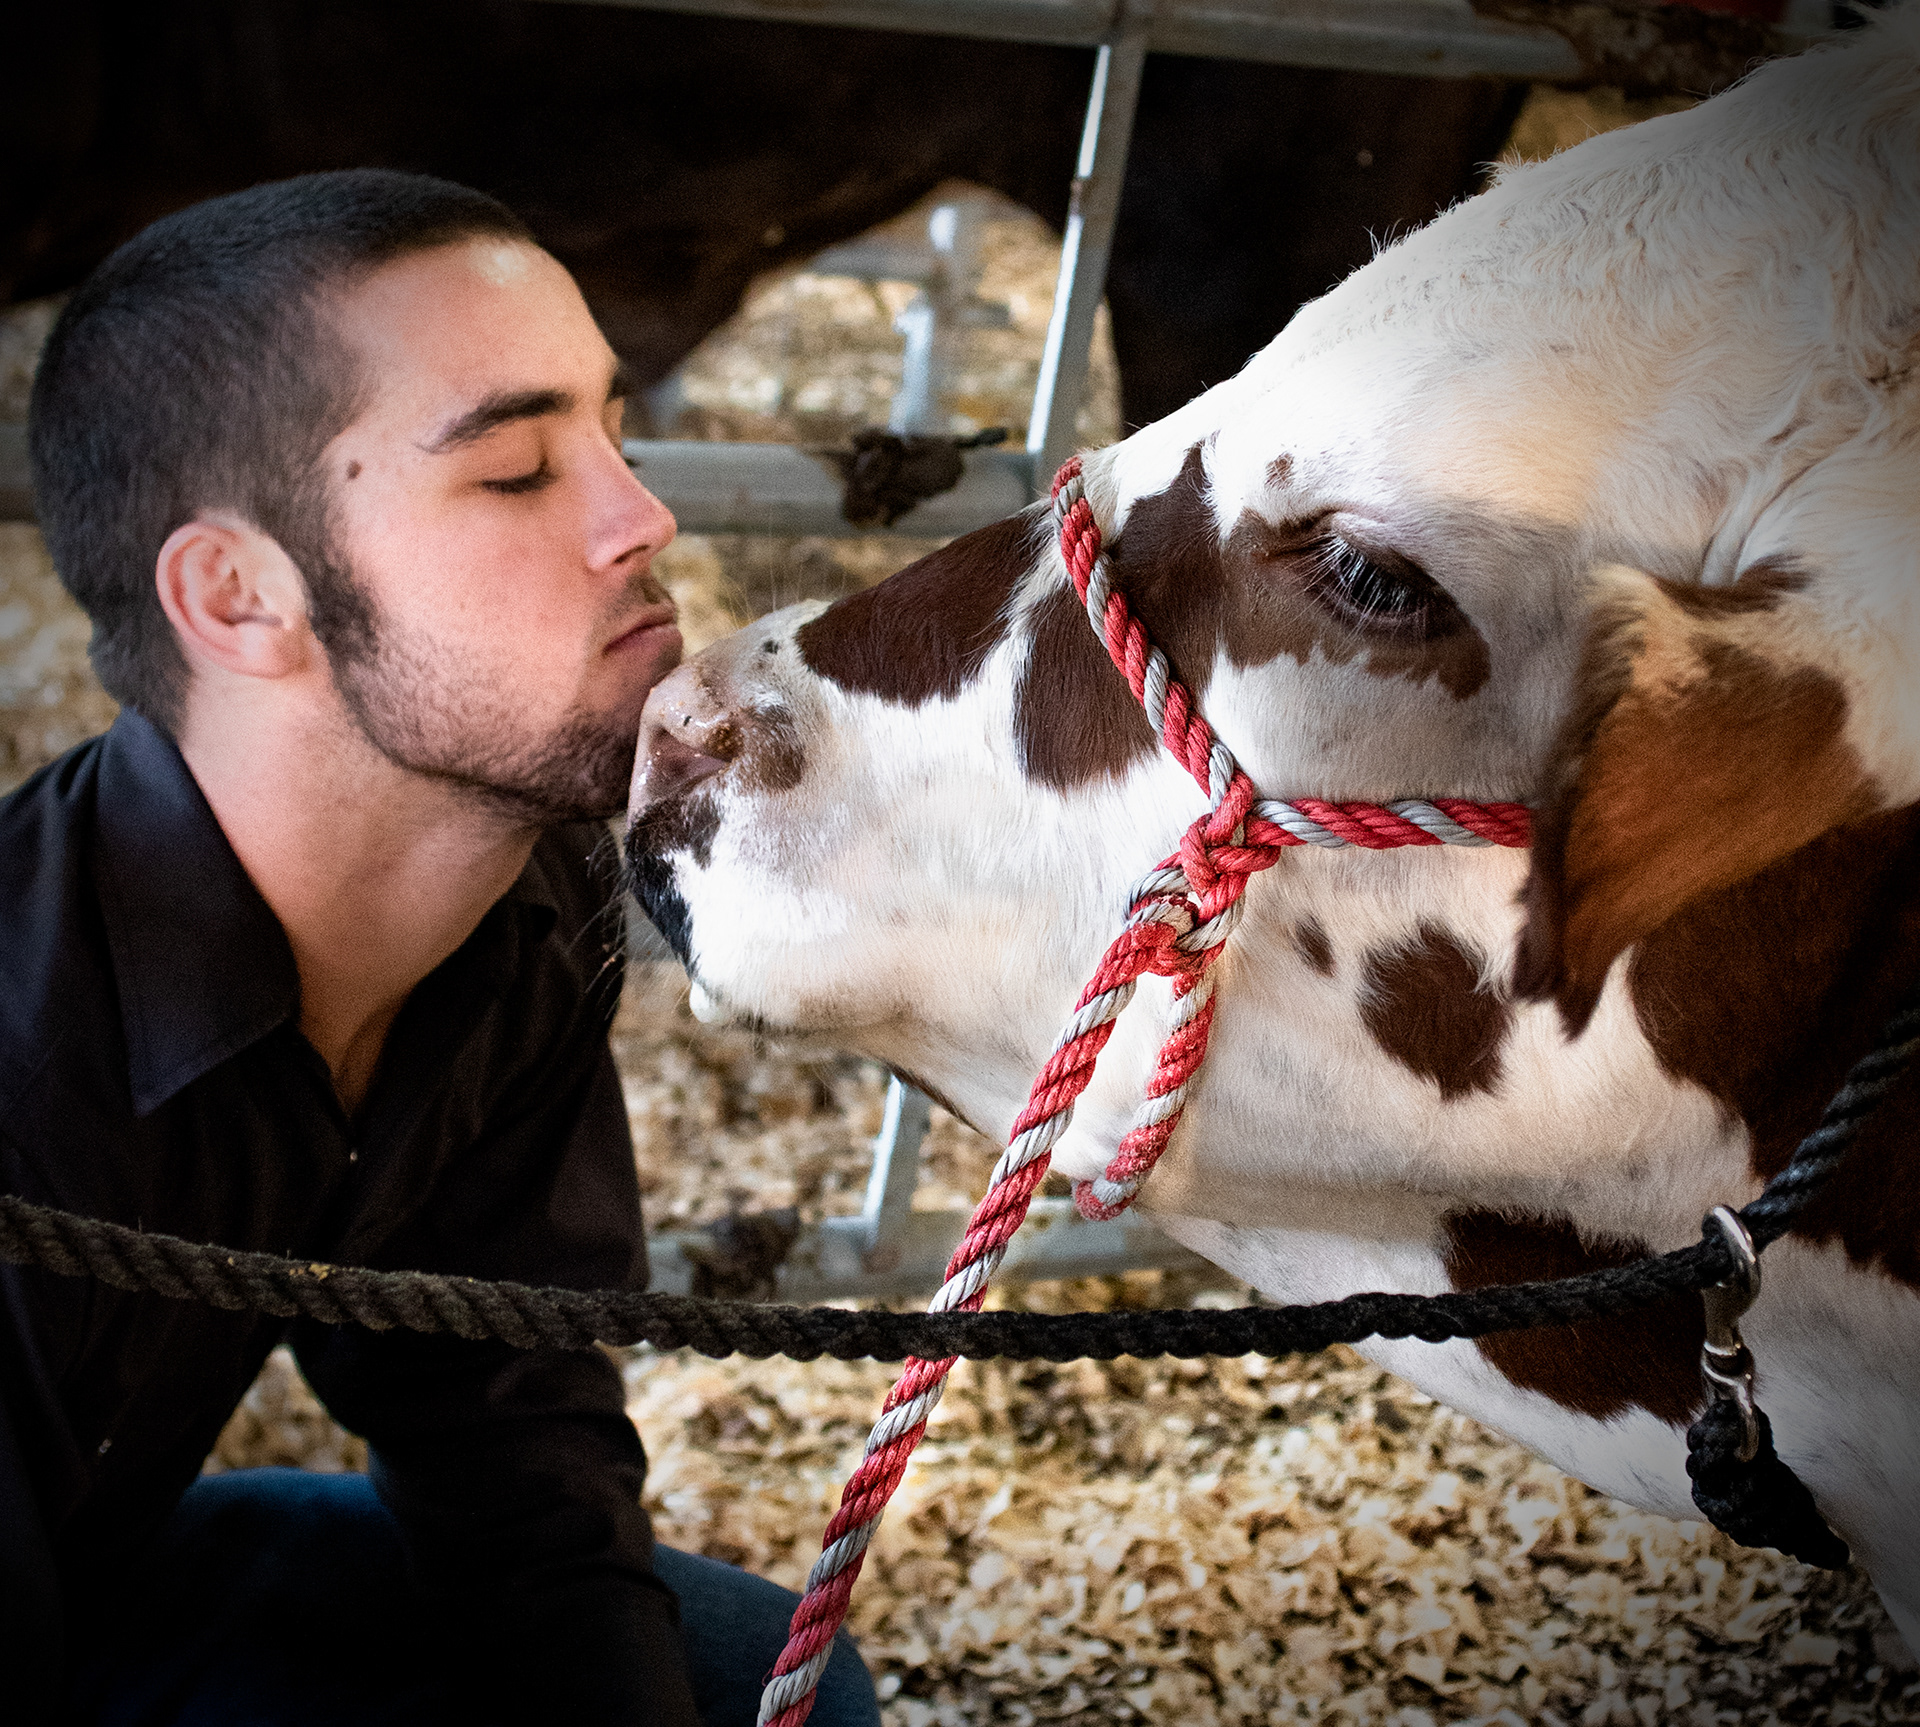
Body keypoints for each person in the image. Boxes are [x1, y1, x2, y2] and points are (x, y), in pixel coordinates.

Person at [1, 170, 880, 1727]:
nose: (645, 516)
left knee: (740, 1675)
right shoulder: (24, 1061)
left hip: (113, 1570)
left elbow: (506, 1431)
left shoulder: (521, 905)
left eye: (613, 429)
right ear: (240, 597)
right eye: (519, 469)